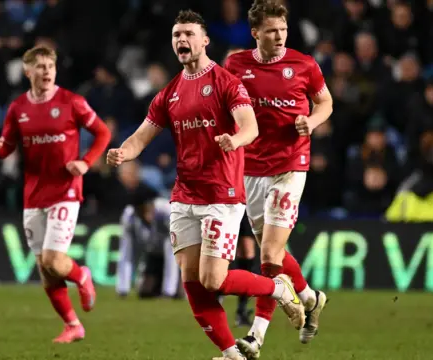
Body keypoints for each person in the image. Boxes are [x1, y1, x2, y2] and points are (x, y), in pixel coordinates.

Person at [106, 10, 303, 360]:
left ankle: (277, 288)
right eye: (176, 35)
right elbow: (142, 136)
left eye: (188, 34)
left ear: (205, 40)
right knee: (192, 281)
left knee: (214, 279)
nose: (181, 40)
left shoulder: (227, 82)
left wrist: (236, 139)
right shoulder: (170, 92)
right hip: (185, 195)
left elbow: (250, 127)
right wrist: (123, 152)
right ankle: (231, 354)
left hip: (222, 195)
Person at [224, 0, 333, 356]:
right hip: (252, 169)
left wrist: (311, 122)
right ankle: (310, 297)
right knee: (275, 255)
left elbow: (325, 103)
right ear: (255, 33)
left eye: (283, 30)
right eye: (272, 31)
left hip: (291, 165)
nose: (280, 36)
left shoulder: (304, 65)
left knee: (268, 253)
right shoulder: (236, 65)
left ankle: (255, 338)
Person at [0, 45, 111, 343]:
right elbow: (8, 144)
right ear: (27, 71)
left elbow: (103, 133)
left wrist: (85, 161)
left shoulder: (72, 102)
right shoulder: (18, 108)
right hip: (33, 193)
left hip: (66, 191)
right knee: (45, 270)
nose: (46, 72)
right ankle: (73, 325)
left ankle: (82, 275)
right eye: (40, 67)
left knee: (55, 260)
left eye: (50, 67)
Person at [116, 185, 180, 299]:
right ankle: (159, 285)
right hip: (154, 255)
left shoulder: (167, 211)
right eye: (141, 209)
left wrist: (168, 292)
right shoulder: (129, 217)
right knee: (145, 292)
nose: (146, 213)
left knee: (180, 294)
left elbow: (174, 249)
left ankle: (173, 288)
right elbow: (127, 252)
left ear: (153, 204)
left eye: (148, 207)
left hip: (179, 256)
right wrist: (123, 289)